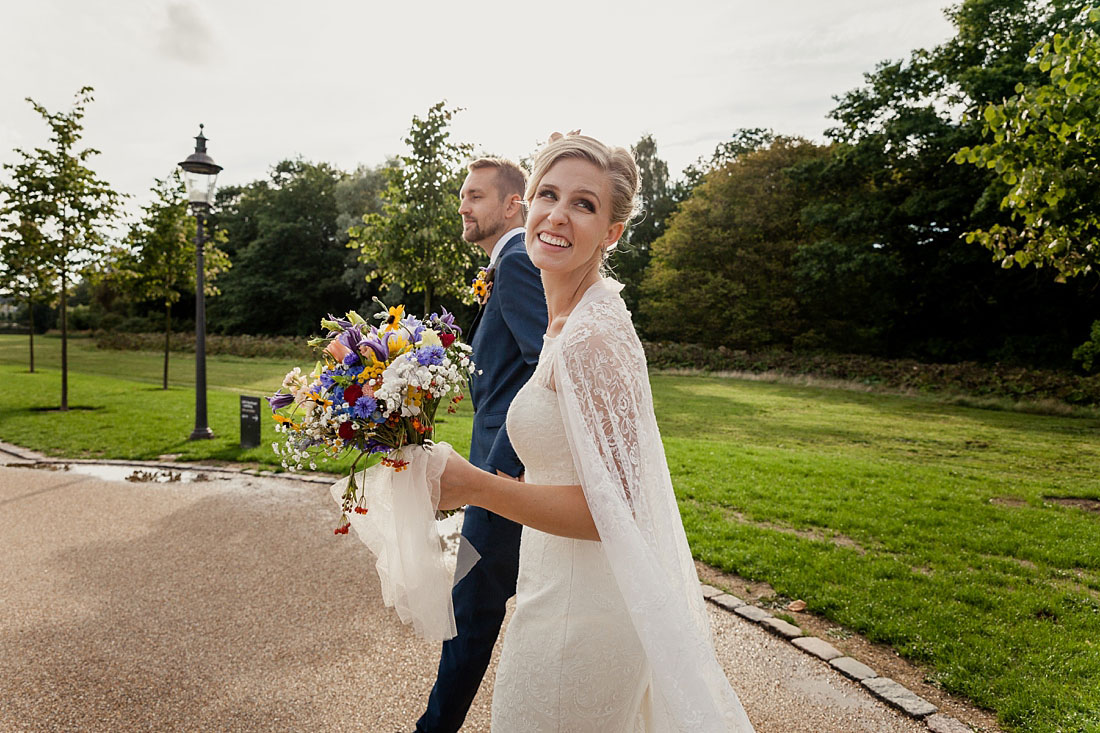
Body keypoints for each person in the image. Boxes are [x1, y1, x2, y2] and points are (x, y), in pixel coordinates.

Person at [436, 135, 755, 731]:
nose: (557, 215)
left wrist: (474, 485)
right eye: (547, 195)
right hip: (554, 589)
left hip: (579, 620)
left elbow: (612, 512)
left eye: (583, 204)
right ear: (526, 205)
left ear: (611, 232)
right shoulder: (573, 318)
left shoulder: (593, 339)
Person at [415, 158, 547, 733]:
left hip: (502, 475)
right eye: (461, 196)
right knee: (506, 600)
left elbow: (549, 369)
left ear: (512, 204)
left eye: (474, 196)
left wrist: (502, 473)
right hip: (500, 470)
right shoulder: (509, 264)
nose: (463, 206)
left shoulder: (516, 260)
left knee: (471, 606)